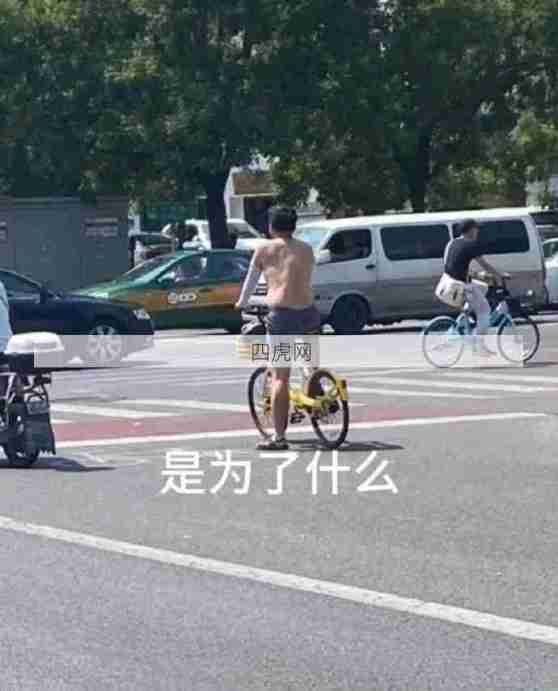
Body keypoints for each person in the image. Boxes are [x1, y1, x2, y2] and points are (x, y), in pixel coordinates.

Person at [235, 206, 320, 450]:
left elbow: (251, 281)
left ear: (271, 226)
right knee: (310, 362)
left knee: (280, 376)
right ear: (294, 225)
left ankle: (279, 437)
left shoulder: (264, 248)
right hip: (309, 312)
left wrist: (241, 303)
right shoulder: (306, 249)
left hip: (283, 315)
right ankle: (318, 397)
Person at [443, 219, 509, 353]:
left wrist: (478, 275)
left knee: (483, 287)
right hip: (461, 285)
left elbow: (452, 265)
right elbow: (485, 264)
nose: (477, 231)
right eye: (476, 229)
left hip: (449, 282)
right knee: (485, 310)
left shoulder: (452, 243)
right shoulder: (471, 245)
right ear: (471, 230)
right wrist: (499, 275)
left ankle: (466, 314)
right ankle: (479, 346)